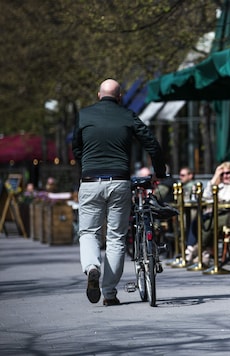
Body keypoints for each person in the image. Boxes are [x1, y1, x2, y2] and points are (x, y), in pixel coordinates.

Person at [72, 78, 166, 306]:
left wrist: (85, 167)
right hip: (119, 181)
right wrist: (159, 171)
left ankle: (92, 266)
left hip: (91, 179)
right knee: (116, 238)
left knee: (88, 232)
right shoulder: (127, 115)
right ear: (120, 96)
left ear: (98, 95)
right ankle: (109, 293)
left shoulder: (84, 115)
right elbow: (152, 143)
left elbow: (76, 147)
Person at [186, 161, 230, 264]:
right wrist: (215, 176)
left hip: (229, 214)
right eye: (222, 174)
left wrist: (219, 200)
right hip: (216, 212)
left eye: (228, 173)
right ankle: (203, 253)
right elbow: (206, 195)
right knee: (197, 220)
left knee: (208, 223)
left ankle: (195, 250)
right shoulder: (220, 185)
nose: (225, 176)